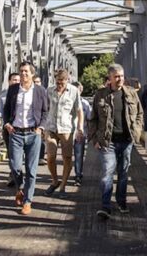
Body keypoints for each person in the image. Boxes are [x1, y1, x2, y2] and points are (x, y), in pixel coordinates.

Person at [89, 63, 143, 219]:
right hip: (108, 142)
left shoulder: (132, 93)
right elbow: (93, 119)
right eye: (117, 76)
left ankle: (121, 202)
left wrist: (137, 132)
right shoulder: (101, 95)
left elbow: (140, 114)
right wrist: (94, 139)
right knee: (107, 173)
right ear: (110, 78)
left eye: (122, 76)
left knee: (123, 173)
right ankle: (105, 207)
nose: (120, 79)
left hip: (126, 141)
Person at [3, 61, 48, 215]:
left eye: (26, 72)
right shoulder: (13, 89)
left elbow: (45, 112)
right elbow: (6, 109)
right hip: (15, 133)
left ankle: (28, 201)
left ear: (32, 74)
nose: (23, 74)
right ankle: (21, 188)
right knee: (15, 166)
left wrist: (40, 127)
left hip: (33, 134)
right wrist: (7, 123)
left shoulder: (40, 91)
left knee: (31, 170)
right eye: (21, 71)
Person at [43, 69, 84, 198]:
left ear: (67, 80)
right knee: (50, 157)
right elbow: (44, 108)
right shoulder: (49, 90)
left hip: (66, 129)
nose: (59, 84)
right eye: (57, 81)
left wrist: (80, 128)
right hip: (51, 127)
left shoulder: (73, 91)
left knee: (67, 158)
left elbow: (79, 110)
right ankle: (55, 181)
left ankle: (63, 186)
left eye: (62, 82)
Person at [0, 72, 20, 187]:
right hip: (8, 128)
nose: (16, 82)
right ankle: (13, 173)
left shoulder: (24, 93)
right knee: (11, 153)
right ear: (9, 81)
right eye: (14, 80)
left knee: (19, 153)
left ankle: (18, 173)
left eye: (18, 80)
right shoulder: (3, 95)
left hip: (20, 128)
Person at [71, 81, 91, 186]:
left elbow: (90, 118)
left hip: (80, 133)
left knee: (79, 155)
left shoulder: (85, 103)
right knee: (68, 155)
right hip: (68, 132)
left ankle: (78, 175)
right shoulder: (67, 101)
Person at [33, 74, 47, 165]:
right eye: (34, 82)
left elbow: (46, 109)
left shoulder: (43, 92)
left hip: (41, 121)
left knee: (41, 140)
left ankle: (40, 157)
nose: (36, 84)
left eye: (38, 82)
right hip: (32, 121)